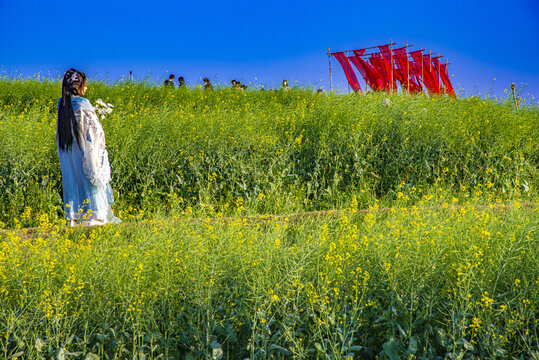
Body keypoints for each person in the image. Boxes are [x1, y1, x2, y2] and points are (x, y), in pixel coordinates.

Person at [57, 68, 121, 226]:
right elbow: (92, 134)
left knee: (73, 179)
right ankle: (95, 217)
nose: (86, 88)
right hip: (85, 151)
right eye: (84, 85)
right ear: (78, 87)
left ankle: (75, 218)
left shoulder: (63, 105)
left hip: (70, 154)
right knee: (91, 181)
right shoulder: (83, 105)